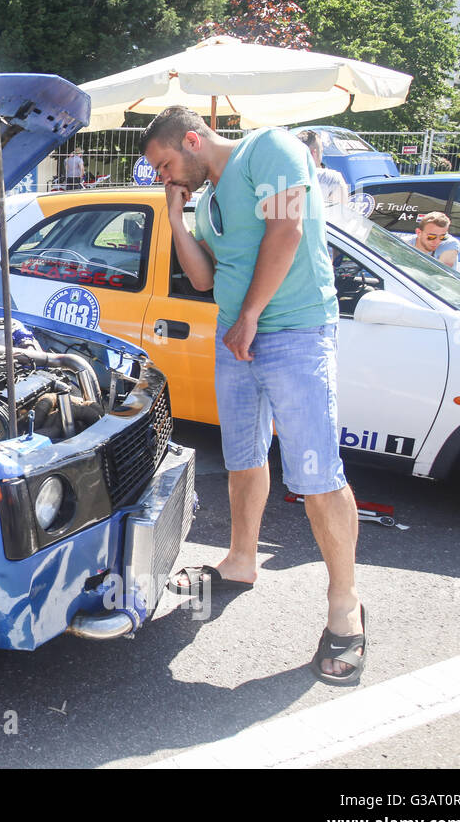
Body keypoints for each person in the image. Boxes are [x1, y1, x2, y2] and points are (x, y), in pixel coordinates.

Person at [139, 105, 366, 686]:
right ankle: (241, 561)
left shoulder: (272, 149)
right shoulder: (208, 198)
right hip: (235, 337)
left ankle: (346, 607)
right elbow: (203, 279)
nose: (165, 176)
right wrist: (176, 215)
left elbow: (286, 230)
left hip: (294, 331)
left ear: (192, 139)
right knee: (243, 457)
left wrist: (252, 317)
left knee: (317, 476)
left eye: (166, 165)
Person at [295, 129, 349, 211]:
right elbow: (341, 214)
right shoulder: (332, 178)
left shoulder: (281, 175)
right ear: (314, 153)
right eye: (321, 151)